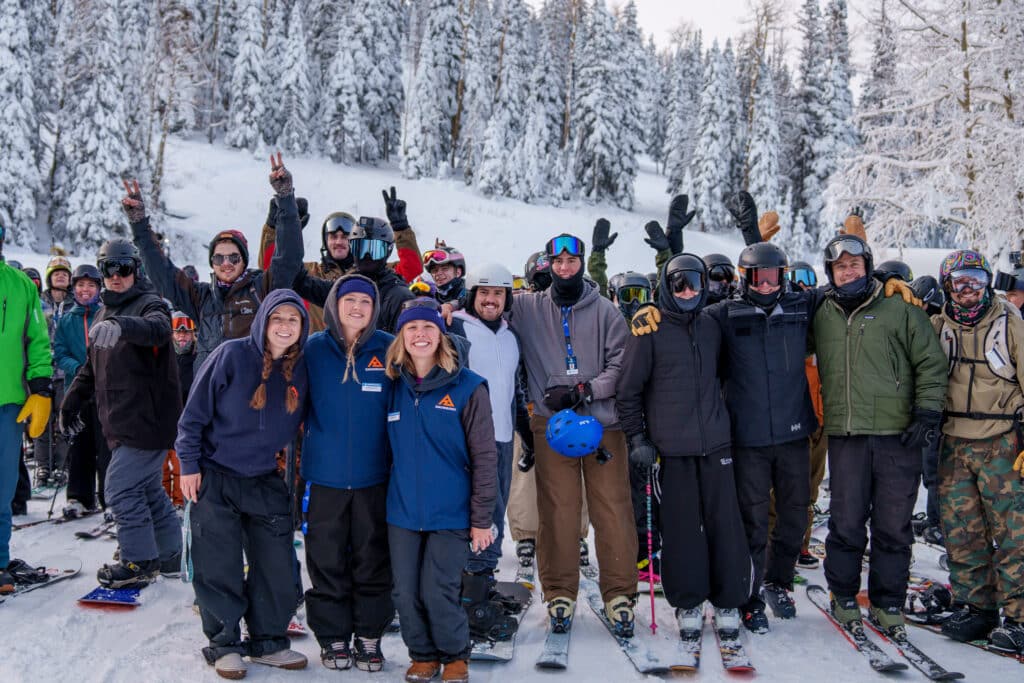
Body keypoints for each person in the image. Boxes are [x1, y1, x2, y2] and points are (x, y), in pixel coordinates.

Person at [811, 232, 947, 637]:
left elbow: (931, 363)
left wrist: (926, 413)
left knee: (893, 525)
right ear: (830, 273)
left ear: (868, 267)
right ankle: (844, 595)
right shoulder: (821, 311)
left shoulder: (899, 307)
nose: (848, 271)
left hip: (897, 435)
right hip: (847, 435)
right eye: (840, 266)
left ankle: (888, 602)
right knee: (846, 522)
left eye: (855, 264)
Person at [176, 289, 311, 679]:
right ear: (263, 320)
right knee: (218, 563)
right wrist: (188, 465)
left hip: (263, 476)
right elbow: (192, 417)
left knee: (277, 563)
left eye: (293, 320)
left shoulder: (302, 366)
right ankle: (224, 644)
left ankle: (268, 641)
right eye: (277, 318)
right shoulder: (232, 355)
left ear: (302, 327)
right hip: (215, 472)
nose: (284, 326)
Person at [617, 253, 752, 641]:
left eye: (694, 282)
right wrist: (638, 439)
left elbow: (761, 294)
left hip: (717, 443)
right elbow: (629, 393)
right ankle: (689, 601)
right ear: (666, 287)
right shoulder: (648, 331)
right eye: (679, 284)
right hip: (671, 449)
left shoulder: (714, 323)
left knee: (726, 524)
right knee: (681, 529)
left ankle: (728, 600)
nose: (688, 291)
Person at [509, 232, 637, 636]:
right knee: (558, 511)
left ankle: (619, 593)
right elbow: (486, 304)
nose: (564, 267)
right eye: (557, 261)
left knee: (612, 509)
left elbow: (622, 363)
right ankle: (560, 591)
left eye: (572, 260)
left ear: (581, 262)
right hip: (552, 425)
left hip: (603, 424)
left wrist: (586, 389)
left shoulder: (605, 311)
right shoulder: (528, 307)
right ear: (548, 264)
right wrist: (445, 306)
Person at [385, 298, 496, 683]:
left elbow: (485, 456)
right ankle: (423, 655)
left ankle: (454, 656)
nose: (420, 335)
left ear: (441, 335)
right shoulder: (393, 384)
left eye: (428, 327)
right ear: (402, 335)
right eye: (412, 328)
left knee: (438, 590)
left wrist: (482, 519)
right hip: (401, 511)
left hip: (451, 511)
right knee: (404, 592)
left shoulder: (468, 387)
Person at [60, 238, 183, 588]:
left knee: (119, 488)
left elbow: (160, 330)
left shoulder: (150, 304)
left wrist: (124, 327)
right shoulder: (102, 312)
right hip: (120, 420)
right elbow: (90, 368)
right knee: (146, 489)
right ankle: (170, 553)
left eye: (123, 268)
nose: (116, 276)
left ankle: (139, 561)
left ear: (135, 270)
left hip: (147, 420)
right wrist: (70, 403)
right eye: (109, 269)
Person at [929, 250, 1024, 652]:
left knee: (1014, 532)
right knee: (962, 531)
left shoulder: (1009, 324)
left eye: (976, 282)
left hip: (1002, 441)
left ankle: (1019, 617)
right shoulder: (937, 325)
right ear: (947, 286)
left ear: (987, 284)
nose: (968, 291)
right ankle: (976, 606)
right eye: (960, 282)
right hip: (954, 440)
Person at [126, 153, 303, 367]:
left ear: (244, 261)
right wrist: (139, 227)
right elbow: (162, 274)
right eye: (219, 258)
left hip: (251, 389)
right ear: (212, 262)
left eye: (233, 257)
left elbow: (289, 257)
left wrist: (285, 197)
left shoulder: (262, 289)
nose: (226, 263)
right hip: (209, 391)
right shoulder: (201, 297)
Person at [301, 275, 395, 671]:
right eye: (349, 299)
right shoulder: (313, 349)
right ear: (335, 304)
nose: (357, 307)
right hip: (324, 478)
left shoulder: (390, 348)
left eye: (365, 301)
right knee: (326, 560)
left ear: (374, 308)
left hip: (376, 477)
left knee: (374, 559)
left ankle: (370, 635)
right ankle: (333, 636)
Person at [448, 264, 532, 631]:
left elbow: (513, 391)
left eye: (498, 293)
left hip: (501, 438)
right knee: (474, 516)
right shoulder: (457, 327)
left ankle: (480, 587)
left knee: (494, 516)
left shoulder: (512, 336)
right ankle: (467, 599)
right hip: (465, 441)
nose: (491, 300)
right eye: (484, 292)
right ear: (472, 295)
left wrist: (525, 436)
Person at [0, 224, 53, 593]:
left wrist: (41, 387)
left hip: (9, 402)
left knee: (2, 488)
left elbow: (37, 341)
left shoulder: (20, 286)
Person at [52, 264, 110, 515]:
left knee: (106, 444)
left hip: (104, 391)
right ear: (73, 288)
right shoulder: (67, 319)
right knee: (79, 443)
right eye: (80, 286)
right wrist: (77, 368)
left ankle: (110, 498)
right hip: (77, 390)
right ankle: (79, 496)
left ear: (99, 288)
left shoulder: (107, 314)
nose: (85, 290)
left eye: (91, 286)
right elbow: (59, 352)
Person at [293, 216, 414, 334]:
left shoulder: (398, 296)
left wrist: (401, 228)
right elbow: (297, 279)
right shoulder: (343, 287)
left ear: (388, 250)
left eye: (375, 250)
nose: (367, 256)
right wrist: (290, 229)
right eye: (360, 248)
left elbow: (402, 349)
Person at [163, 311, 198, 509]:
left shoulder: (197, 358)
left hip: (186, 421)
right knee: (162, 466)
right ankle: (163, 502)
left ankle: (180, 501)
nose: (182, 336)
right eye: (177, 332)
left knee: (180, 464)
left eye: (186, 332)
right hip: (166, 418)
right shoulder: (164, 358)